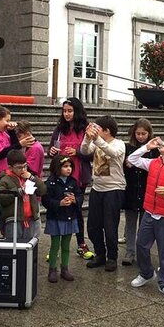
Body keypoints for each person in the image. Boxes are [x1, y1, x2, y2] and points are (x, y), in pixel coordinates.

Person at [128, 136, 164, 297]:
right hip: (149, 212)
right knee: (141, 245)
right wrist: (147, 147)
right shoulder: (153, 162)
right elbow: (132, 159)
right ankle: (146, 273)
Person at [48, 97, 95, 259]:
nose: (67, 114)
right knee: (58, 207)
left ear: (77, 111)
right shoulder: (59, 129)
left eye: (70, 111)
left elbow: (93, 154)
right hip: (60, 175)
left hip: (78, 175)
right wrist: (52, 152)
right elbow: (51, 148)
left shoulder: (85, 130)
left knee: (76, 208)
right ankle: (54, 248)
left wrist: (78, 153)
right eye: (64, 111)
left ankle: (81, 244)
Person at [80, 115, 126, 271]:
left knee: (110, 225)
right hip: (97, 188)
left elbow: (112, 152)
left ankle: (112, 257)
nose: (95, 131)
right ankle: (100, 254)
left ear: (107, 131)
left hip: (114, 189)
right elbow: (84, 150)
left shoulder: (119, 144)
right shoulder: (96, 143)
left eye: (98, 128)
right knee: (93, 225)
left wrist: (97, 139)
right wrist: (87, 138)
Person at [41, 155, 83, 283]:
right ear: (57, 167)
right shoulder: (51, 182)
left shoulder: (73, 182)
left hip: (69, 217)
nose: (68, 169)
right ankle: (52, 269)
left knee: (66, 244)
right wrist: (59, 203)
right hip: (56, 217)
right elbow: (46, 200)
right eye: (65, 166)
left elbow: (80, 195)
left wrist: (75, 200)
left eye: (70, 166)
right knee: (55, 245)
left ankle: (65, 268)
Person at [122, 118, 156, 265]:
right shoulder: (128, 147)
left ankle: (143, 251)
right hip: (131, 189)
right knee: (130, 223)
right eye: (138, 133)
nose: (141, 136)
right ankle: (130, 251)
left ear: (149, 134)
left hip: (146, 190)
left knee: (145, 225)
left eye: (144, 134)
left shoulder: (154, 150)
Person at [0, 149, 47, 241]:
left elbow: (42, 191)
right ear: (10, 168)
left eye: (25, 166)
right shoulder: (4, 180)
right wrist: (19, 191)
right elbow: (2, 198)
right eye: (19, 167)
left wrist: (32, 178)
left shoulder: (29, 177)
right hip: (14, 219)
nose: (23, 170)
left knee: (28, 245)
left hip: (30, 218)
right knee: (14, 245)